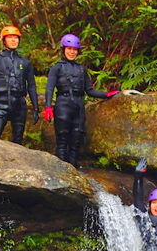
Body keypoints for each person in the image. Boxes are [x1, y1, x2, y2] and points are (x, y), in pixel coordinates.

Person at [43, 33, 118, 166]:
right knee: (62, 140)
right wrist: (48, 107)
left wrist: (107, 95)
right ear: (63, 49)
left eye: (74, 50)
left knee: (76, 141)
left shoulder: (81, 69)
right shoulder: (57, 68)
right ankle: (61, 172)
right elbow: (49, 88)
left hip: (78, 107)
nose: (72, 52)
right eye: (69, 49)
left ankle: (74, 173)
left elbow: (89, 90)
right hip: (63, 105)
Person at [0, 25, 39, 144]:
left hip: (19, 105)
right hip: (2, 103)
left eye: (16, 38)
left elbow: (31, 85)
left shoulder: (25, 62)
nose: (13, 40)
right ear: (4, 40)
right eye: (10, 37)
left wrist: (36, 107)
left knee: (18, 141)